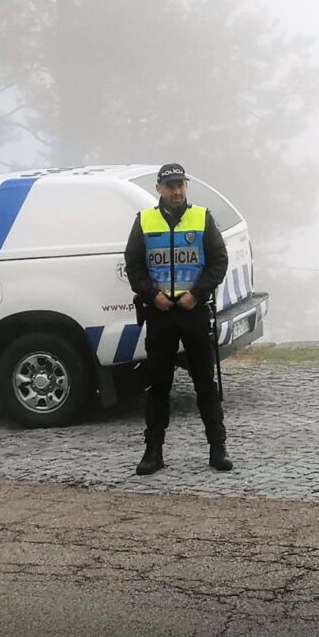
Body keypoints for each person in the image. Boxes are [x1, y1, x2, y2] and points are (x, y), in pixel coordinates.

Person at [124, 162, 233, 475]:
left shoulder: (202, 217)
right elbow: (133, 265)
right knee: (158, 386)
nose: (176, 191)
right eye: (170, 186)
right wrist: (151, 295)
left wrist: (196, 294)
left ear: (186, 187)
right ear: (158, 189)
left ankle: (218, 447)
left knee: (205, 384)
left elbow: (218, 261)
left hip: (193, 311)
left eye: (181, 185)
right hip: (160, 313)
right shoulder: (144, 221)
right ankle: (153, 452)